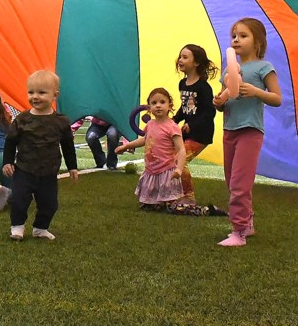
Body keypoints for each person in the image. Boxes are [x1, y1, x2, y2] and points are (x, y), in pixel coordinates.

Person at [212, 17, 283, 247]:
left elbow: (277, 98)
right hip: (229, 130)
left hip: (250, 131)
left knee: (240, 184)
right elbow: (226, 98)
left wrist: (255, 91)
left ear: (258, 41)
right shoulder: (229, 70)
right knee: (231, 181)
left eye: (243, 36)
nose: (236, 39)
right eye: (234, 35)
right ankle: (247, 223)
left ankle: (239, 232)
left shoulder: (264, 67)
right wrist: (219, 102)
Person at [2, 69, 79, 241]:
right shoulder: (22, 119)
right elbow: (10, 141)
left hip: (49, 172)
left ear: (55, 95)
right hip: (24, 169)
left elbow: (67, 145)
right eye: (31, 92)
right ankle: (17, 227)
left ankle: (40, 228)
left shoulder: (61, 121)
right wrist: (7, 162)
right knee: (19, 200)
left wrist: (72, 166)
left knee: (50, 204)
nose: (35, 96)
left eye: (41, 92)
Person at [114, 87, 187, 211]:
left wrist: (179, 169)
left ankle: (170, 204)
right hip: (151, 168)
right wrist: (126, 146)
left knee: (168, 206)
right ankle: (152, 203)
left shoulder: (172, 127)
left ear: (170, 105)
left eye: (162, 102)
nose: (158, 106)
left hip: (166, 169)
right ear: (149, 107)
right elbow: (144, 139)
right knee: (147, 206)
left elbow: (181, 149)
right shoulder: (150, 124)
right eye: (154, 103)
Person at [171, 44, 219, 208]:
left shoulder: (203, 87)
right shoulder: (182, 84)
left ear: (196, 62)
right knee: (170, 159)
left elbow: (209, 112)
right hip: (187, 132)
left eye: (185, 57)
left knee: (179, 160)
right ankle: (172, 193)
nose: (180, 60)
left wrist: (192, 125)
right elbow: (186, 107)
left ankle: (188, 197)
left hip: (201, 134)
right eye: (180, 56)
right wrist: (174, 120)